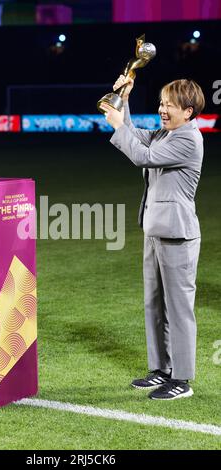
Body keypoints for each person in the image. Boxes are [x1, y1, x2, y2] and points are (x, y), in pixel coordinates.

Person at [100, 76, 205, 400]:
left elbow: (142, 156)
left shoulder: (188, 139)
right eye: (161, 103)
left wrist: (118, 123)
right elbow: (134, 137)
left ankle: (182, 379)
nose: (162, 110)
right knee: (155, 305)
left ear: (188, 111)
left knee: (179, 309)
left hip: (177, 235)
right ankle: (160, 370)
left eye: (169, 105)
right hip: (155, 231)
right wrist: (125, 101)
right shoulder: (167, 133)